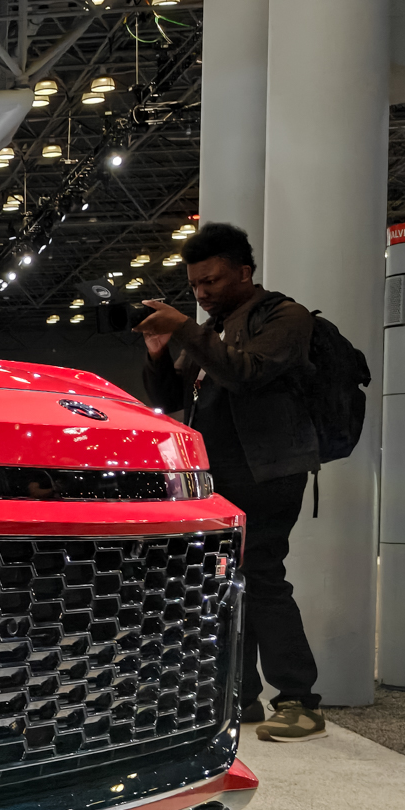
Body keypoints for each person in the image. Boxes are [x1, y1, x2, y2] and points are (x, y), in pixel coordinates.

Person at [136, 222, 325, 742]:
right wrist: (158, 350)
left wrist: (185, 329)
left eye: (212, 281)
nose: (201, 293)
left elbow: (246, 374)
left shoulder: (284, 317)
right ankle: (240, 696)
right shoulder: (214, 328)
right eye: (195, 284)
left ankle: (299, 701)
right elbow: (170, 399)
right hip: (221, 475)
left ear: (244, 272)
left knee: (261, 577)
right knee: (226, 582)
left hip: (269, 472)